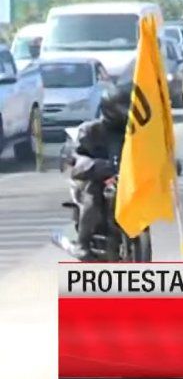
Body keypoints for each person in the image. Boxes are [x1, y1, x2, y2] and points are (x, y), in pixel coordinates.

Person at [69, 86, 129, 259]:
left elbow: (150, 151)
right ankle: (83, 243)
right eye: (120, 108)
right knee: (92, 200)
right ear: (109, 108)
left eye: (126, 107)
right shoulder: (90, 130)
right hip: (97, 178)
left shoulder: (132, 132)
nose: (124, 112)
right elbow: (74, 157)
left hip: (126, 178)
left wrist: (168, 164)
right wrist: (93, 165)